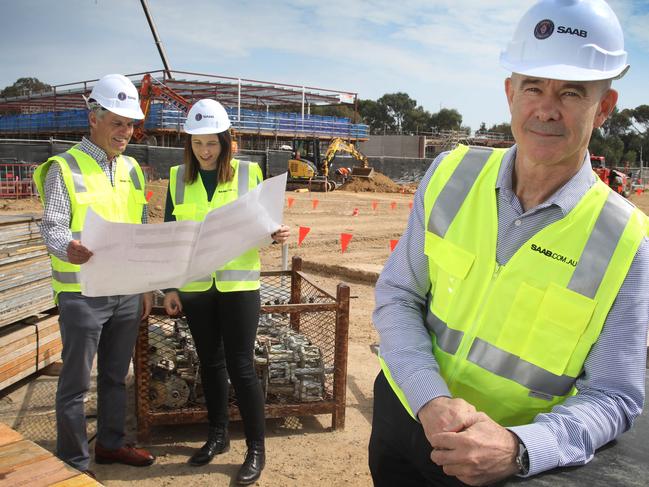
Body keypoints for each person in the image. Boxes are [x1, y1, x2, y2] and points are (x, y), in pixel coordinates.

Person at [369, 1, 649, 486]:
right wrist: (430, 399)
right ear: (509, 93)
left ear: (603, 107)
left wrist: (521, 448)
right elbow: (399, 295)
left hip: (500, 462)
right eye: (533, 87)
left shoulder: (627, 242)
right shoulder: (451, 174)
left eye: (571, 93)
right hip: (405, 416)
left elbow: (614, 395)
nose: (546, 108)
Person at [162, 98, 290, 485]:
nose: (205, 151)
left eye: (212, 143)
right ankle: (217, 436)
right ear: (189, 144)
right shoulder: (176, 178)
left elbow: (266, 225)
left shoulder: (250, 173)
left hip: (238, 286)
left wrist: (276, 233)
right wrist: (170, 286)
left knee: (242, 366)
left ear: (226, 141)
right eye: (198, 143)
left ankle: (255, 448)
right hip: (197, 286)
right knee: (210, 363)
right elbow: (171, 236)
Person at [33, 74, 155, 476]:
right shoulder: (64, 167)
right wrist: (67, 246)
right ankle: (74, 461)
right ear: (93, 119)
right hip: (82, 294)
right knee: (75, 385)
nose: (126, 132)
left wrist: (144, 287)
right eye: (117, 122)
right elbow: (51, 225)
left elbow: (137, 232)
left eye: (130, 124)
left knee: (116, 377)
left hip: (123, 291)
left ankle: (110, 444)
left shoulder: (133, 169)